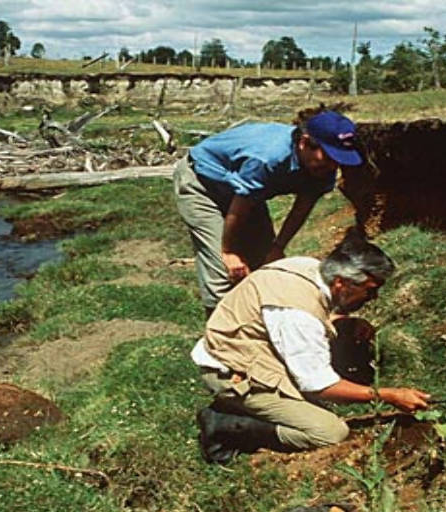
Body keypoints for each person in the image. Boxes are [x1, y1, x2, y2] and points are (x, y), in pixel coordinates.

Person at [191, 230, 431, 464]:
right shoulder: (298, 315)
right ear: (341, 283)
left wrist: (342, 322)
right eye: (370, 290)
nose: (374, 297)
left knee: (333, 356)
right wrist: (388, 395)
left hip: (244, 350)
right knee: (330, 432)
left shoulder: (308, 268)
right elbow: (320, 386)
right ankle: (225, 426)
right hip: (232, 373)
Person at [173, 108, 365, 317]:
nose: (332, 165)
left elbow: (302, 207)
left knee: (267, 265)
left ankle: (260, 326)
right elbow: (240, 205)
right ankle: (220, 336)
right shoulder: (268, 156)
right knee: (223, 268)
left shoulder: (324, 167)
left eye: (338, 159)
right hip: (202, 184)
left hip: (246, 193)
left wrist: (278, 247)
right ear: (304, 143)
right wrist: (228, 251)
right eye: (328, 157)